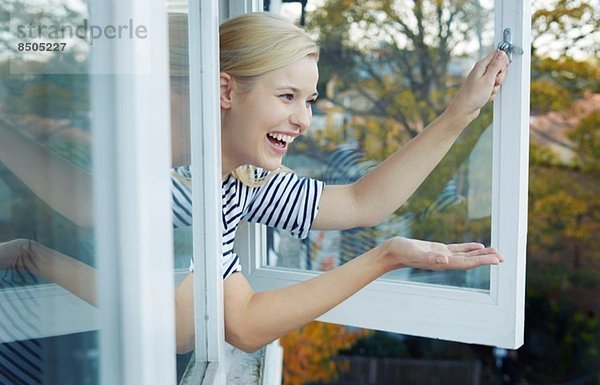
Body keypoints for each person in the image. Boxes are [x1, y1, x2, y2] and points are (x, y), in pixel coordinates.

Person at [0, 12, 508, 355]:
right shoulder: (182, 187)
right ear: (225, 90)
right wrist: (386, 257)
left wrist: (461, 112)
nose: (304, 120)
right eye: (288, 96)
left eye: (308, 101)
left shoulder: (237, 177)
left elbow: (360, 202)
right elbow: (220, 327)